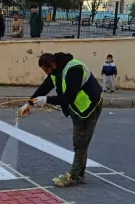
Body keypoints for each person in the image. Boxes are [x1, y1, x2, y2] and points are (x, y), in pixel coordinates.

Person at [19, 52, 103, 188]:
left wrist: (47, 100)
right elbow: (45, 87)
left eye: (46, 70)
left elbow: (68, 97)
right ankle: (80, 174)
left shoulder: (73, 70)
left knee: (80, 141)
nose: (47, 73)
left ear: (52, 65)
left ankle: (73, 176)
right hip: (78, 108)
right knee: (81, 140)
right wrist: (30, 103)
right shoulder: (56, 71)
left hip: (90, 106)